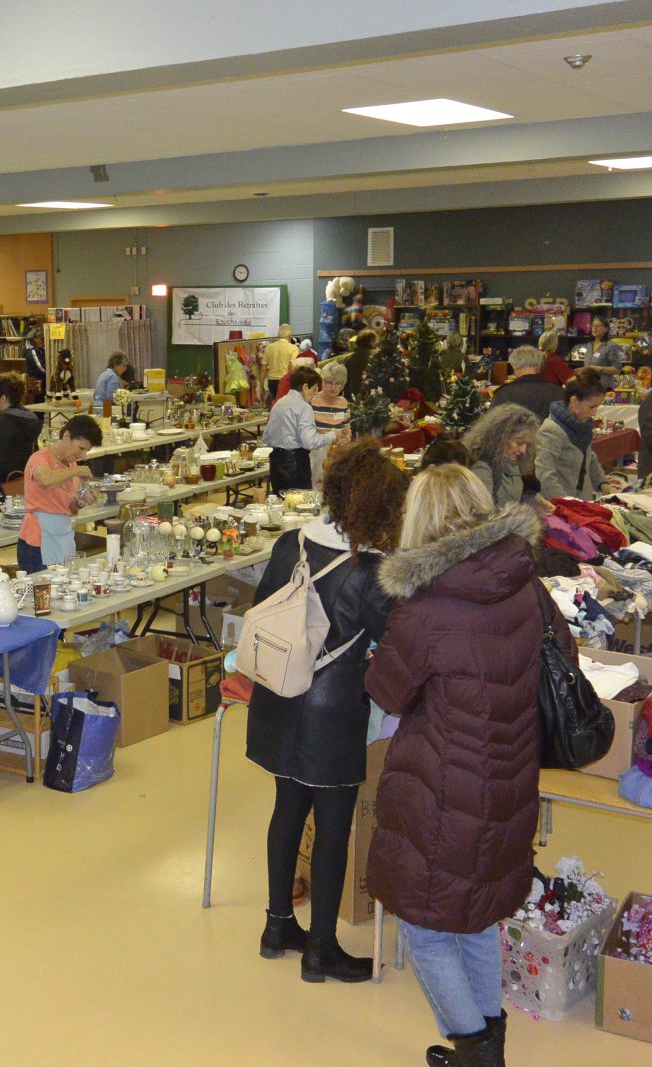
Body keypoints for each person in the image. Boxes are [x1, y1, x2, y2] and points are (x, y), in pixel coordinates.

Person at [367, 463, 573, 1067]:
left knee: (426, 925)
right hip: (510, 776)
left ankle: (474, 1048)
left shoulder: (425, 609)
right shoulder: (525, 581)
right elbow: (562, 653)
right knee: (480, 914)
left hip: (443, 784)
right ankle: (490, 1034)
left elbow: (389, 693)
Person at [246, 441, 408, 984]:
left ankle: (277, 927)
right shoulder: (373, 569)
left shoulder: (288, 541)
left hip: (277, 695)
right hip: (331, 709)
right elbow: (397, 640)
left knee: (286, 809)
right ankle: (322, 950)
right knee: (333, 827)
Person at [18, 414, 102, 574]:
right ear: (66, 436)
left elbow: (67, 508)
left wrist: (80, 502)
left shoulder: (71, 464)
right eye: (81, 448)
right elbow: (45, 480)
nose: (83, 455)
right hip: (37, 541)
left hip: (63, 537)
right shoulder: (40, 458)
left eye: (87, 451)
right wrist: (76, 471)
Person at [265, 366, 347, 493]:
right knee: (301, 507)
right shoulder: (304, 407)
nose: (314, 393)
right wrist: (332, 435)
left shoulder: (279, 403)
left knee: (281, 504)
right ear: (304, 387)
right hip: (295, 464)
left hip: (275, 462)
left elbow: (267, 436)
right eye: (314, 389)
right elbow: (309, 442)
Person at [536, 369, 613, 501]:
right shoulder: (551, 430)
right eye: (591, 407)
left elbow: (590, 458)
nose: (594, 413)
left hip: (582, 501)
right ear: (574, 402)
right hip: (561, 507)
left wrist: (603, 484)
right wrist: (566, 504)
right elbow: (544, 475)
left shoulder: (582, 426)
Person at [463, 404, 539, 508]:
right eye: (519, 443)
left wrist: (535, 502)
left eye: (527, 444)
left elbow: (515, 499)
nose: (523, 450)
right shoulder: (482, 468)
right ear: (500, 439)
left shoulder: (513, 462)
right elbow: (483, 514)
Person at [488, 345, 563, 419]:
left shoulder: (503, 393)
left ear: (514, 366)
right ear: (539, 367)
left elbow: (491, 425)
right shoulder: (559, 391)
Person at [309, 361, 351, 484]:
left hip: (338, 454)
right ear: (322, 382)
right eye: (329, 383)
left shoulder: (344, 403)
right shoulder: (312, 401)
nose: (333, 387)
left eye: (338, 383)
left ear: (343, 385)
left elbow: (347, 429)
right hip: (316, 455)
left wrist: (346, 438)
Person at [261, 325, 300, 404]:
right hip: (285, 381)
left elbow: (263, 369)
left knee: (276, 403)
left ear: (278, 335)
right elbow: (292, 367)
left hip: (271, 382)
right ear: (290, 336)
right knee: (286, 404)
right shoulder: (294, 348)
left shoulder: (269, 347)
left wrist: (261, 385)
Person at [340, 329, 377, 400]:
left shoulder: (350, 358)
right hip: (370, 396)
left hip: (351, 395)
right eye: (374, 341)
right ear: (371, 341)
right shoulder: (377, 355)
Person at [22, 332, 47, 399]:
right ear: (34, 339)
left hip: (41, 381)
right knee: (39, 404)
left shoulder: (39, 350)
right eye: (39, 337)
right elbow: (39, 367)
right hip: (38, 382)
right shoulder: (31, 351)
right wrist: (49, 372)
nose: (41, 339)